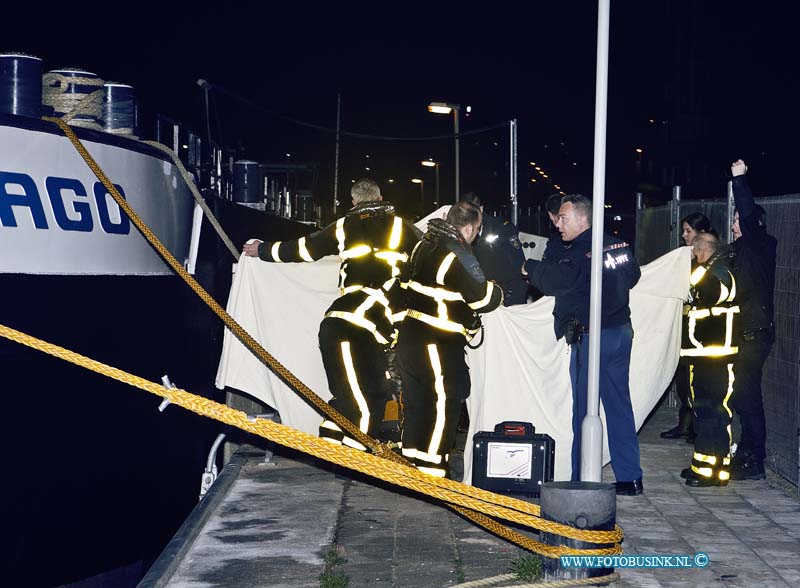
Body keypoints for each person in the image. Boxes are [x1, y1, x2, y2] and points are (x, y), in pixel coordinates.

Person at [243, 178, 420, 449]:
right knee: (359, 403)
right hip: (354, 326)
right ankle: (348, 461)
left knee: (367, 395)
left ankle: (332, 452)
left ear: (354, 201)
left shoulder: (343, 227)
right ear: (380, 196)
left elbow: (303, 248)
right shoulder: (402, 228)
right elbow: (433, 256)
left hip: (348, 327)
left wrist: (261, 250)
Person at [523, 194, 643, 495]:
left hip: (592, 338)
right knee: (619, 406)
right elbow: (633, 276)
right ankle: (630, 477)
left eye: (564, 218)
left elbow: (555, 282)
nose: (559, 224)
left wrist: (530, 269)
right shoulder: (618, 244)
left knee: (583, 412)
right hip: (620, 333)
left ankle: (579, 478)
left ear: (583, 219)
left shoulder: (578, 251)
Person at [396, 201, 503, 477]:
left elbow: (405, 285)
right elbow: (482, 298)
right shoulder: (457, 253)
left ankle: (411, 467)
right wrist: (498, 291)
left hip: (410, 338)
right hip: (438, 341)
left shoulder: (423, 244)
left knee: (417, 403)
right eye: (477, 229)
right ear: (468, 227)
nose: (477, 235)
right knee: (443, 404)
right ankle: (433, 472)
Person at [727, 159, 777, 481]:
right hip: (744, 331)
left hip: (754, 333)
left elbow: (747, 214)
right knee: (742, 395)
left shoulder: (760, 245)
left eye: (737, 220)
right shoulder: (744, 249)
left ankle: (754, 459)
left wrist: (739, 180)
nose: (734, 224)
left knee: (748, 396)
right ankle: (746, 452)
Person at [679, 233, 739, 487]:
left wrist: (693, 287)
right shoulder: (710, 269)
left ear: (700, 250)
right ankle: (705, 466)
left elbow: (711, 293)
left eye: (693, 250)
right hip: (705, 354)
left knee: (712, 411)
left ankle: (710, 470)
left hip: (715, 355)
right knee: (705, 410)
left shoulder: (720, 271)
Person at [661, 212, 715, 442]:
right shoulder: (687, 258)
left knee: (696, 383)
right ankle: (686, 423)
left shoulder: (708, 263)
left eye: (688, 231)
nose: (684, 235)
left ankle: (694, 426)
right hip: (686, 328)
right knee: (684, 380)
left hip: (702, 333)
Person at [459, 192, 527, 306]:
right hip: (475, 299)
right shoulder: (460, 231)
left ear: (481, 210)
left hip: (503, 299)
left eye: (473, 214)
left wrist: (510, 301)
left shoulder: (502, 229)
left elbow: (518, 268)